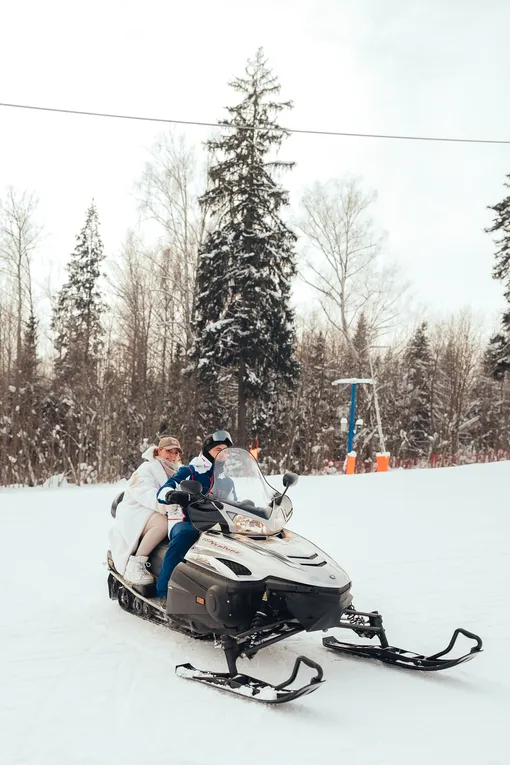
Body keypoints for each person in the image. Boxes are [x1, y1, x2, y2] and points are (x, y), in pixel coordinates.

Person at [155, 430, 234, 601]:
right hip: (185, 520)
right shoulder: (190, 471)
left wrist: (247, 506)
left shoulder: (227, 480)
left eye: (225, 450)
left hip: (215, 524)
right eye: (218, 449)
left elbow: (234, 502)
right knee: (187, 534)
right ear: (207, 451)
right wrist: (173, 495)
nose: (222, 454)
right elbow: (163, 490)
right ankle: (164, 593)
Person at [109, 436, 183, 587]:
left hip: (166, 511)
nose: (172, 456)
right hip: (138, 510)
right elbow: (145, 492)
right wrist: (162, 505)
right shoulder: (147, 469)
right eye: (169, 451)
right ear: (159, 451)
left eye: (176, 453)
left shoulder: (178, 471)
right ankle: (136, 564)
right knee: (162, 524)